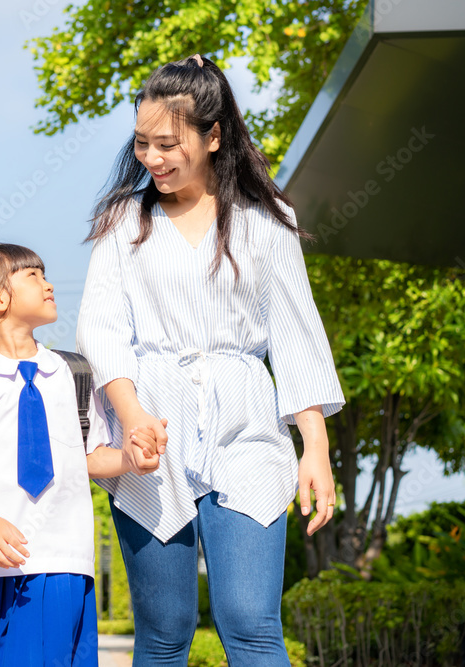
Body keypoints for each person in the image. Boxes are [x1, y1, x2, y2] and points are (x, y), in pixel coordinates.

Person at [76, 55, 345, 666]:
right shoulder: (124, 222)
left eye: (168, 144)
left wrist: (316, 450)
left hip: (246, 426)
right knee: (164, 631)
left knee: (251, 623)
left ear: (213, 135)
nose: (152, 158)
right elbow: (101, 327)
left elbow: (295, 336)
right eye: (142, 143)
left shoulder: (267, 221)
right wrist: (132, 414)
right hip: (150, 429)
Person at [0, 243, 159, 667]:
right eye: (33, 275)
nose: (48, 284)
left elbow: (89, 456)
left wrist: (129, 459)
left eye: (45, 274)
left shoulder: (72, 372)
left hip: (60, 556)